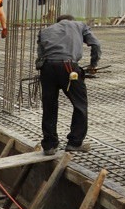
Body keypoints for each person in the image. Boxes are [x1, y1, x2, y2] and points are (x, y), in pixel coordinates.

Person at [35, 14, 101, 155]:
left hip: (47, 67)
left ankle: (49, 146)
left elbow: (40, 56)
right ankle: (74, 143)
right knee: (80, 105)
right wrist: (93, 65)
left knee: (49, 105)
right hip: (68, 66)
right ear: (72, 20)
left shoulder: (45, 31)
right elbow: (95, 44)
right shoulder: (79, 25)